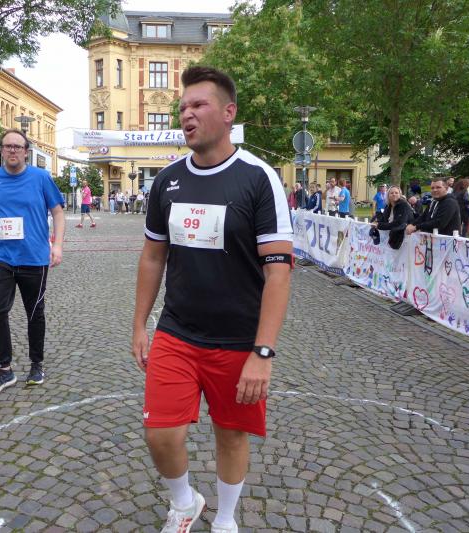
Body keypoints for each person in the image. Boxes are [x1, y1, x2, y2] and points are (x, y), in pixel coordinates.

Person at [132, 66, 292, 533]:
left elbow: (278, 271)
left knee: (231, 434)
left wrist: (263, 352)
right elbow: (152, 257)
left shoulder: (258, 178)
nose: (187, 114)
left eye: (198, 105)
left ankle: (225, 518)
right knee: (160, 433)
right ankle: (185, 502)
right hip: (177, 332)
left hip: (239, 339)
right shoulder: (166, 181)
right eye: (183, 107)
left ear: (228, 113)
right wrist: (139, 325)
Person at [0, 129, 65, 395]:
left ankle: (37, 364)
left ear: (26, 152)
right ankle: (5, 369)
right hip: (2, 257)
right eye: (8, 146)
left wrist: (57, 245)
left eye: (17, 146)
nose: (12, 150)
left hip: (34, 257)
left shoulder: (41, 177)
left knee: (34, 313)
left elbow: (58, 212)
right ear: (1, 151)